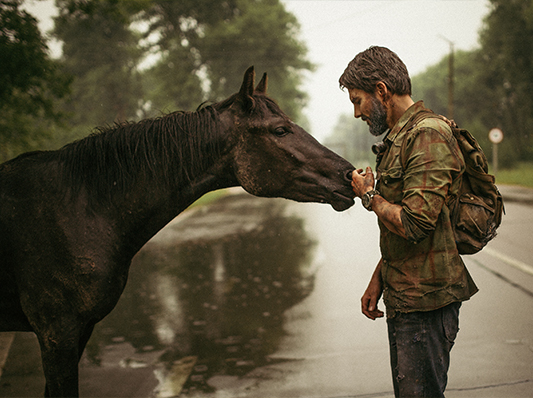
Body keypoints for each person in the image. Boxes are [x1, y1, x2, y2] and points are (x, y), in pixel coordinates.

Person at [339, 46, 478, 397]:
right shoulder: (401, 137)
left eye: (358, 101)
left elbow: (416, 224)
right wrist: (379, 278)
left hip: (426, 303)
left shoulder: (426, 135)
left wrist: (369, 196)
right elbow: (405, 232)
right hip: (407, 295)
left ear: (382, 91)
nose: (356, 113)